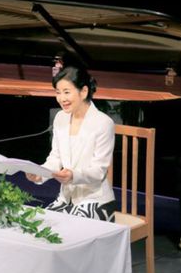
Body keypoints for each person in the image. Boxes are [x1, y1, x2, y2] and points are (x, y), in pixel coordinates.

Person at [26, 66, 116, 222]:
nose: (61, 99)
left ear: (84, 91)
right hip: (65, 200)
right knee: (39, 224)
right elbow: (55, 158)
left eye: (66, 92)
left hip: (95, 201)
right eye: (58, 92)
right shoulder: (60, 118)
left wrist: (73, 176)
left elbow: (98, 172)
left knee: (69, 228)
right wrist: (40, 173)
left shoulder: (103, 123)